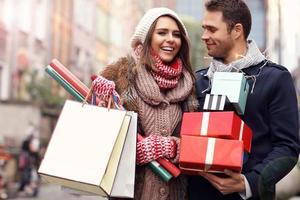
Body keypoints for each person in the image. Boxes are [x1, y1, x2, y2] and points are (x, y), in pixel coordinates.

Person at [189, 0, 300, 199]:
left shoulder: (275, 78)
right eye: (204, 28)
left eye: (212, 29)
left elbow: (287, 148)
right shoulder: (198, 80)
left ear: (237, 30)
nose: (204, 36)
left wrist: (248, 182)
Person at [91, 7, 197, 200]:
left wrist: (172, 147)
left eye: (176, 34)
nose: (170, 39)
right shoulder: (120, 80)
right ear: (146, 38)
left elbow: (199, 146)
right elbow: (98, 143)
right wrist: (97, 101)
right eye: (161, 32)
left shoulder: (190, 87)